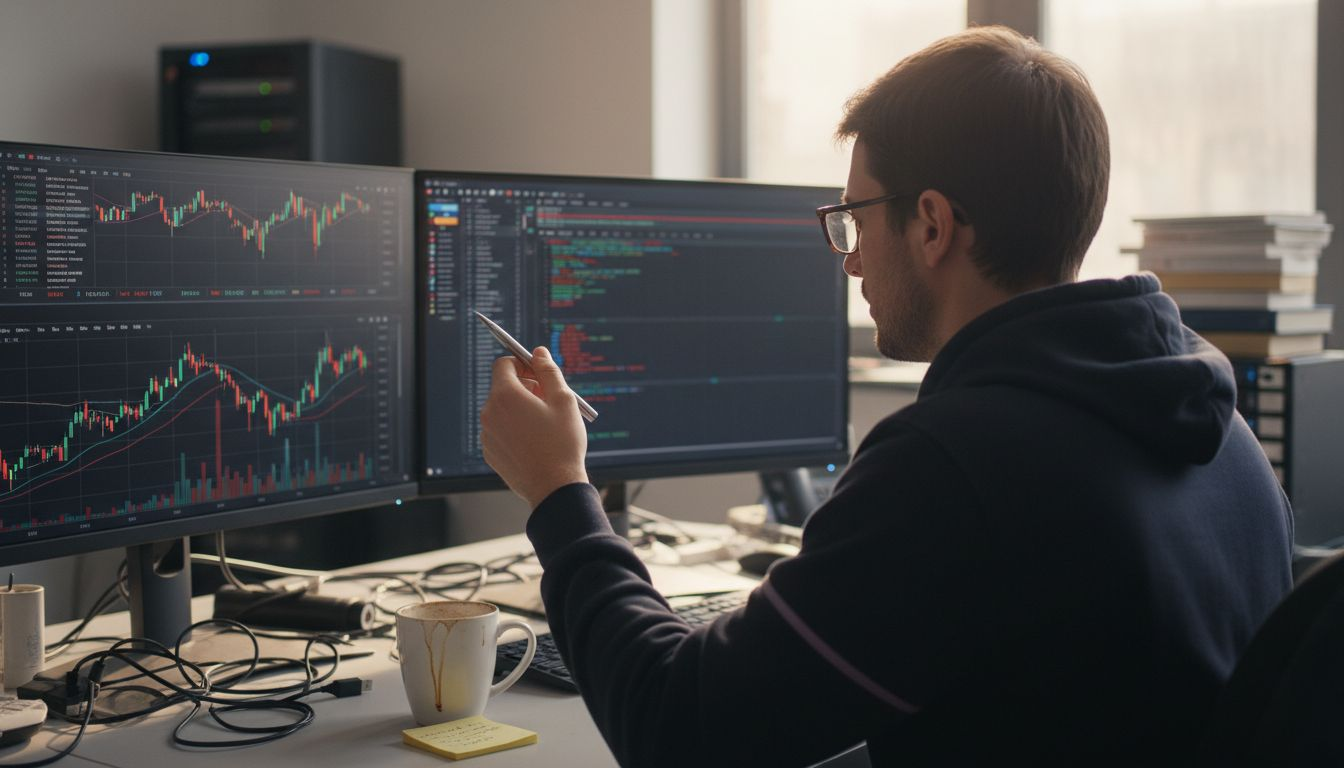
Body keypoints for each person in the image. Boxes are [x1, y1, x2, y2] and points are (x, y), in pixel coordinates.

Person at [479, 25, 1293, 767]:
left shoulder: (954, 466)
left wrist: (559, 492)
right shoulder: (1221, 432)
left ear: (933, 225)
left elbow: (677, 730)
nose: (851, 260)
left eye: (855, 219)